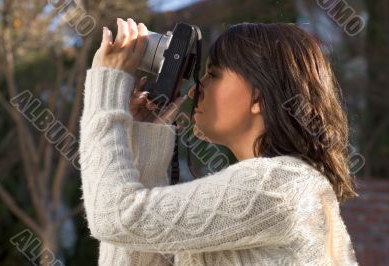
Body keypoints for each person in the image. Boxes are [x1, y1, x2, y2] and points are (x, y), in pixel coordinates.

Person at [79, 17, 359, 265]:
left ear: (258, 97)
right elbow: (125, 230)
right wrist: (145, 139)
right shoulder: (274, 187)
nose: (194, 92)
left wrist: (107, 86)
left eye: (213, 75)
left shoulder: (282, 186)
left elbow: (114, 217)